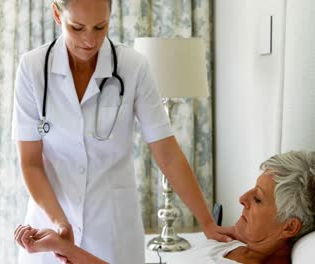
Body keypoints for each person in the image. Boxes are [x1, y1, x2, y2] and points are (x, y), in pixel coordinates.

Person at [12, 0, 229, 263]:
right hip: (49, 224)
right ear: (57, 14)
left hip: (112, 228)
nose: (90, 40)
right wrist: (61, 223)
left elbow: (167, 153)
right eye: (77, 28)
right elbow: (31, 163)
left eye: (100, 27)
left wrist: (206, 222)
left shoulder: (132, 67)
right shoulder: (33, 68)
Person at [15, 151, 315, 264]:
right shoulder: (237, 244)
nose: (243, 199)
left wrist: (63, 246)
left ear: (289, 228)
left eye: (257, 199)